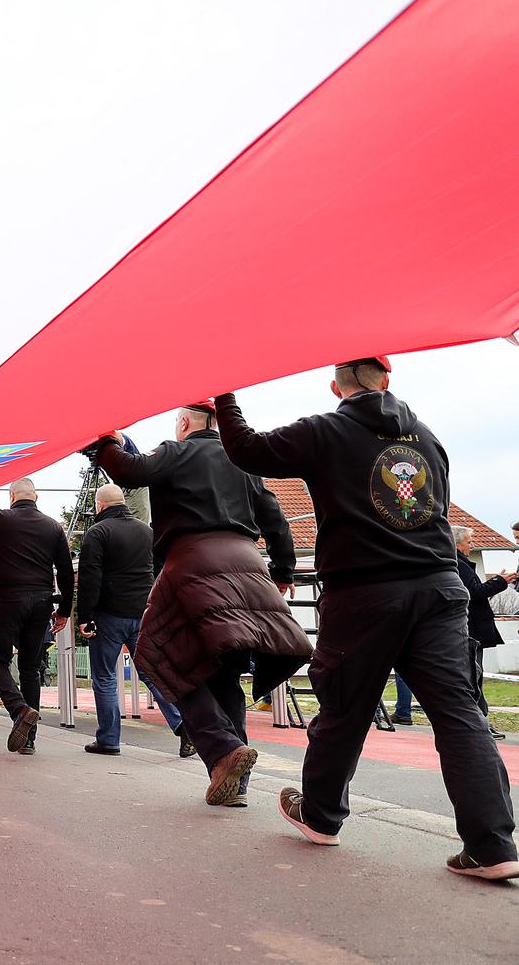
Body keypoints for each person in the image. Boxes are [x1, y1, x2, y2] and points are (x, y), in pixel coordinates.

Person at [217, 360, 517, 879]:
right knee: (458, 712)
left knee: (343, 708)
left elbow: (247, 450)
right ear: (387, 381)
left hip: (363, 592)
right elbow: (434, 509)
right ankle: (493, 847)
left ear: (337, 387)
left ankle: (321, 816)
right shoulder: (429, 439)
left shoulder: (324, 430)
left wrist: (223, 395)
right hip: (439, 588)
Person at [94, 400, 306, 807]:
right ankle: (233, 781)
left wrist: (105, 442)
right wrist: (282, 571)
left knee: (160, 658)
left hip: (193, 565)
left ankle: (223, 749)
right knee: (224, 672)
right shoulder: (241, 460)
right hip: (248, 566)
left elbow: (127, 471)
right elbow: (275, 517)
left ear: (185, 422)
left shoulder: (176, 451)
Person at [0, 479, 74, 754]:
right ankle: (29, 739)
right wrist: (64, 610)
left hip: (6, 600)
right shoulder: (53, 526)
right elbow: (65, 571)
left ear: (11, 497)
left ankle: (19, 710)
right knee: (30, 668)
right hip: (42, 601)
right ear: (37, 497)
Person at [75, 483, 186, 756]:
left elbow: (90, 577)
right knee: (152, 673)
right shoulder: (146, 531)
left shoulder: (98, 532)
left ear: (99, 506)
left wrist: (85, 616)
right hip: (143, 614)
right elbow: (161, 570)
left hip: (108, 616)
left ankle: (109, 740)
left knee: (104, 677)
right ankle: (184, 726)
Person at [453, 526, 513, 740]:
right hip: (472, 631)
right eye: (469, 542)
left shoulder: (460, 564)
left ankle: (481, 722)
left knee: (474, 678)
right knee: (473, 679)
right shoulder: (459, 565)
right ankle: (480, 724)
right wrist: (500, 582)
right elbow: (475, 593)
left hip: (473, 630)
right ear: (458, 544)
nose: (472, 545)